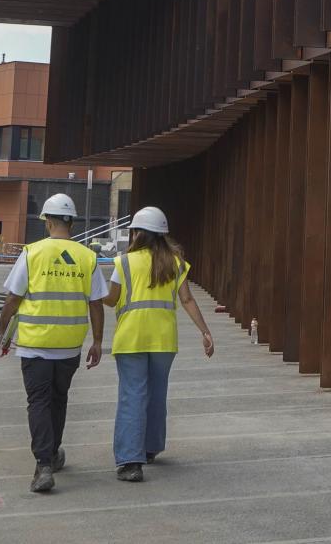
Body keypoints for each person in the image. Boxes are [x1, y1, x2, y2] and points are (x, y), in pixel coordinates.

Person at [0, 193, 106, 494]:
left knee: (39, 402)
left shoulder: (32, 254)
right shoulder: (87, 257)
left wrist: (1, 332)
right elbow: (96, 304)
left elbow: (12, 299)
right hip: (69, 346)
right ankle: (53, 453)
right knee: (58, 400)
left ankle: (44, 463)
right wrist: (97, 342)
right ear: (71, 221)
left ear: (49, 221)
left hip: (35, 345)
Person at [102, 206, 214, 483]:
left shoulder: (124, 263)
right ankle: (150, 448)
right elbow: (187, 299)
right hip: (163, 339)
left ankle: (130, 460)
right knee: (155, 395)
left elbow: (112, 299)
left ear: (137, 233)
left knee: (132, 396)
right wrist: (205, 331)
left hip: (131, 338)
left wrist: (90, 292)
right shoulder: (175, 263)